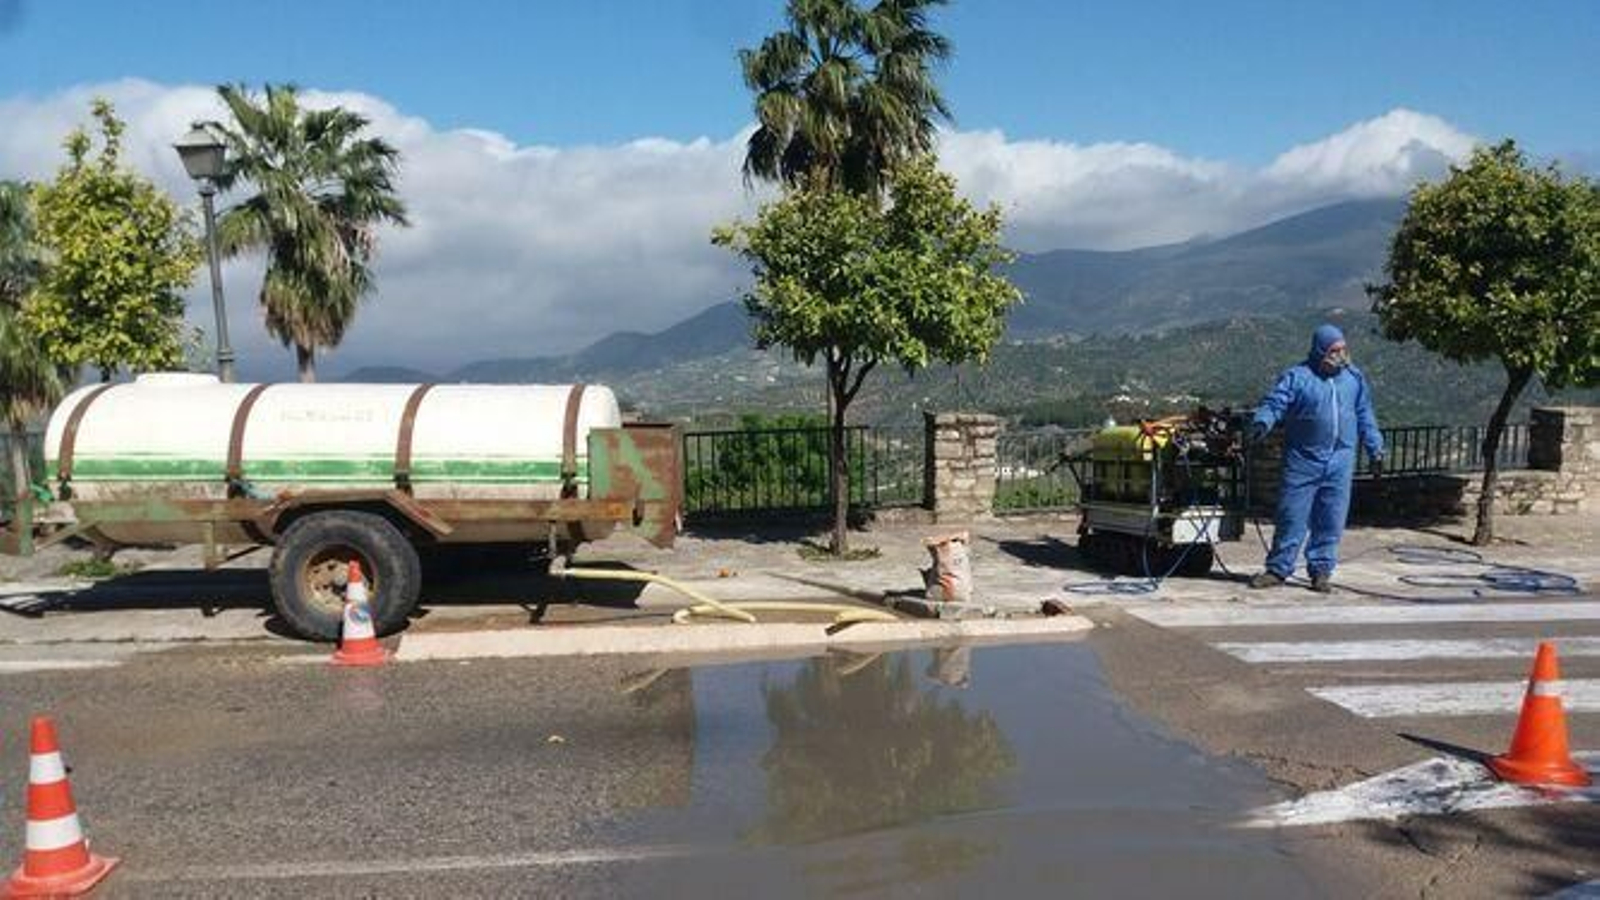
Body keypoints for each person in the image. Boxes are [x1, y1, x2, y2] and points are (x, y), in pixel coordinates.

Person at [1247, 324, 1384, 593]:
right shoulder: (1298, 377)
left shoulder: (1353, 379)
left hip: (1340, 461)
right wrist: (1262, 423)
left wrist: (1375, 448)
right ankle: (1278, 568)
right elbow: (1276, 403)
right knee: (1291, 516)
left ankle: (1321, 570)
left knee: (1331, 518)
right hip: (1303, 459)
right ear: (1321, 349)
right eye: (1334, 350)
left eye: (1343, 349)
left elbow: (1365, 415)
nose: (1341, 355)